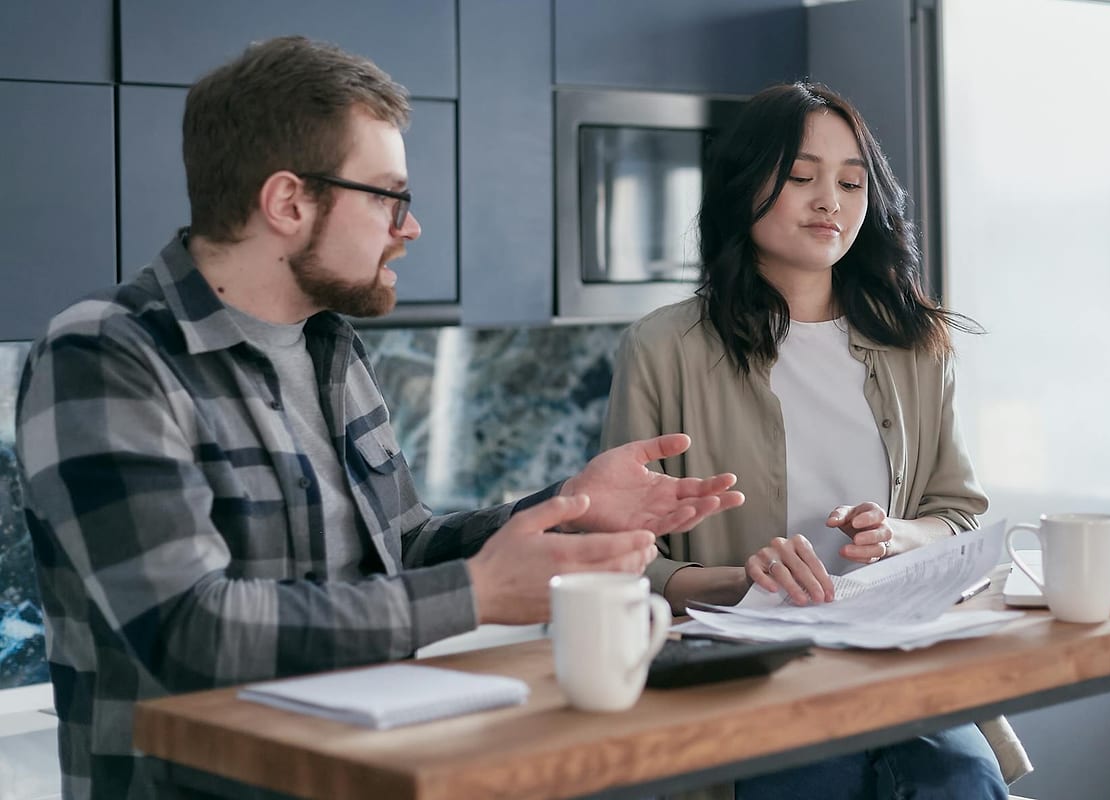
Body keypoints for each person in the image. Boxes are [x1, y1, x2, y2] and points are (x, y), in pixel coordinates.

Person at [14, 36, 744, 800]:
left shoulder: (332, 347)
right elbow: (187, 630)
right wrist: (477, 593)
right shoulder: (104, 356)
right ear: (289, 202)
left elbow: (402, 548)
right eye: (388, 196)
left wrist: (570, 509)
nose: (409, 226)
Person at [601, 82, 1030, 799]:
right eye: (802, 177)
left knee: (962, 778)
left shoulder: (916, 345)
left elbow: (959, 517)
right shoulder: (662, 348)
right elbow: (614, 563)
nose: (830, 200)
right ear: (745, 186)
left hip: (897, 663)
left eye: (851, 183)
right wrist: (740, 582)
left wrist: (895, 535)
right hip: (755, 683)